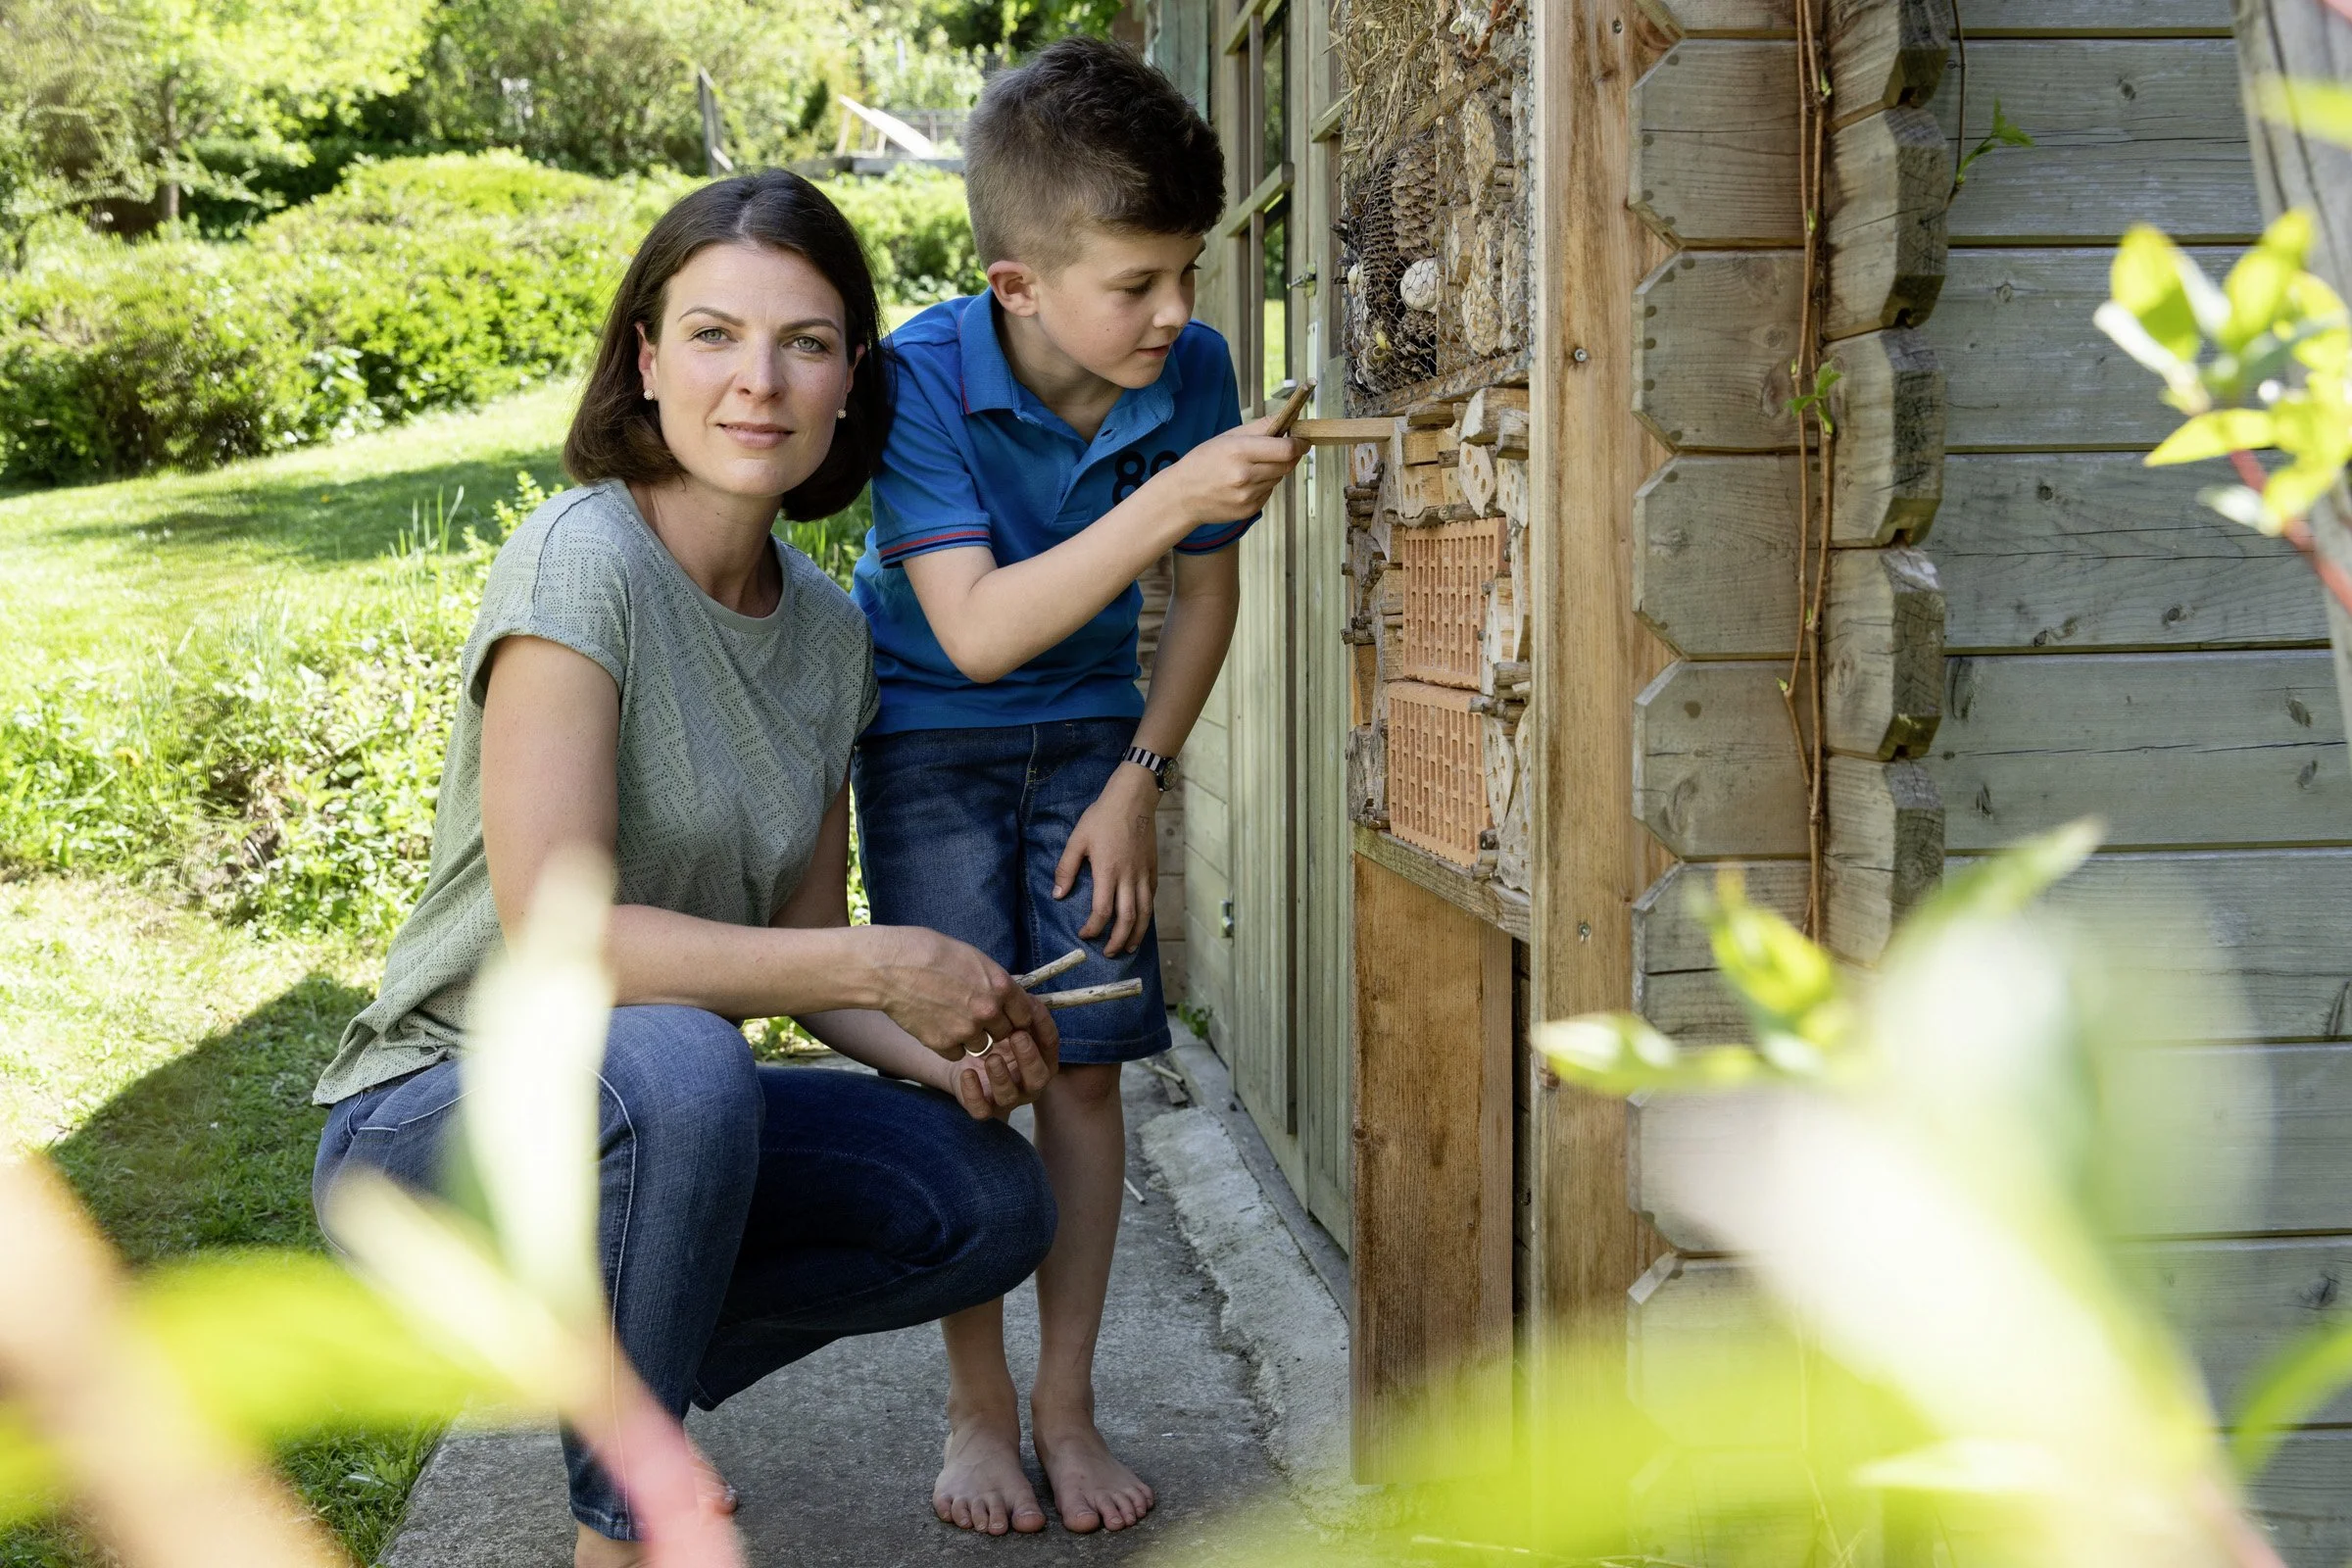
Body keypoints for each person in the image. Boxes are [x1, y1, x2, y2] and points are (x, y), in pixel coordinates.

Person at [309, 171, 1064, 1568]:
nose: (758, 382)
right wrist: (871, 960)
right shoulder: (580, 560)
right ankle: (630, 1526)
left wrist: (937, 1045)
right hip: (436, 1125)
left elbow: (797, 943)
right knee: (683, 1059)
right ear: (645, 362)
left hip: (648, 1127)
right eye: (712, 336)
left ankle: (615, 1366)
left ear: (852, 381)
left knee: (989, 1199)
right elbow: (557, 938)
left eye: (808, 342)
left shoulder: (833, 636)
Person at [850, 37, 1307, 1539]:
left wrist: (1142, 781)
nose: (1179, 317)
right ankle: (979, 1413)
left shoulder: (1193, 367)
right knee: (977, 1065)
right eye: (1140, 285)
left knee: (1092, 1068)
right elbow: (974, 636)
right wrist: (1175, 492)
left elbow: (1210, 602)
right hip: (927, 740)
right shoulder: (915, 380)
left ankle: (1068, 1405)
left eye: (1188, 274)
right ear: (1017, 283)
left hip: (1103, 741)